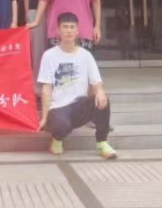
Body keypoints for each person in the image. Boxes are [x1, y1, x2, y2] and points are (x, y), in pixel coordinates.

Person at [37, 12, 116, 159]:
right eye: (65, 27)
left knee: (103, 100)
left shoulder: (86, 55)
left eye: (72, 27)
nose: (69, 30)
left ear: (77, 30)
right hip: (58, 108)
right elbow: (46, 89)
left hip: (78, 106)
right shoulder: (49, 56)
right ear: (58, 30)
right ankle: (57, 139)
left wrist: (100, 92)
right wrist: (44, 117)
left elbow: (97, 82)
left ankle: (102, 143)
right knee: (60, 124)